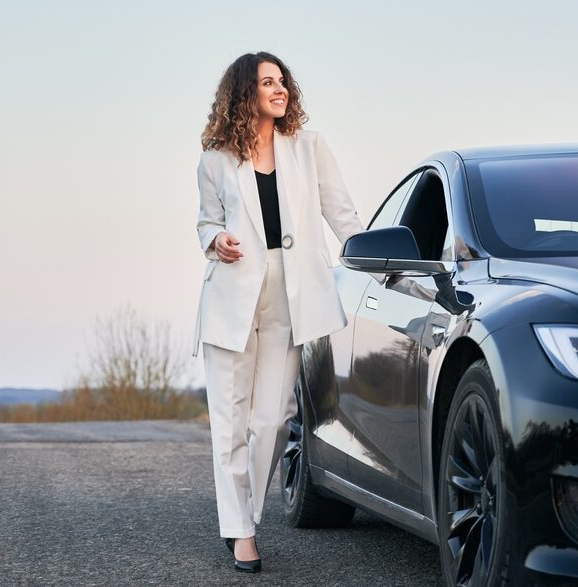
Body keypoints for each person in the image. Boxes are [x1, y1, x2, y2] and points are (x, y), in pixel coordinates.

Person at [192, 51, 364, 573]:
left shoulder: (308, 146)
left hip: (292, 295)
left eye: (282, 80)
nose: (280, 88)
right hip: (231, 298)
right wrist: (215, 238)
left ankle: (243, 513)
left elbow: (341, 211)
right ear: (245, 92)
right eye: (268, 82)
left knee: (271, 418)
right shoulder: (215, 158)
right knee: (229, 423)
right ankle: (241, 532)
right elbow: (205, 222)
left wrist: (370, 258)